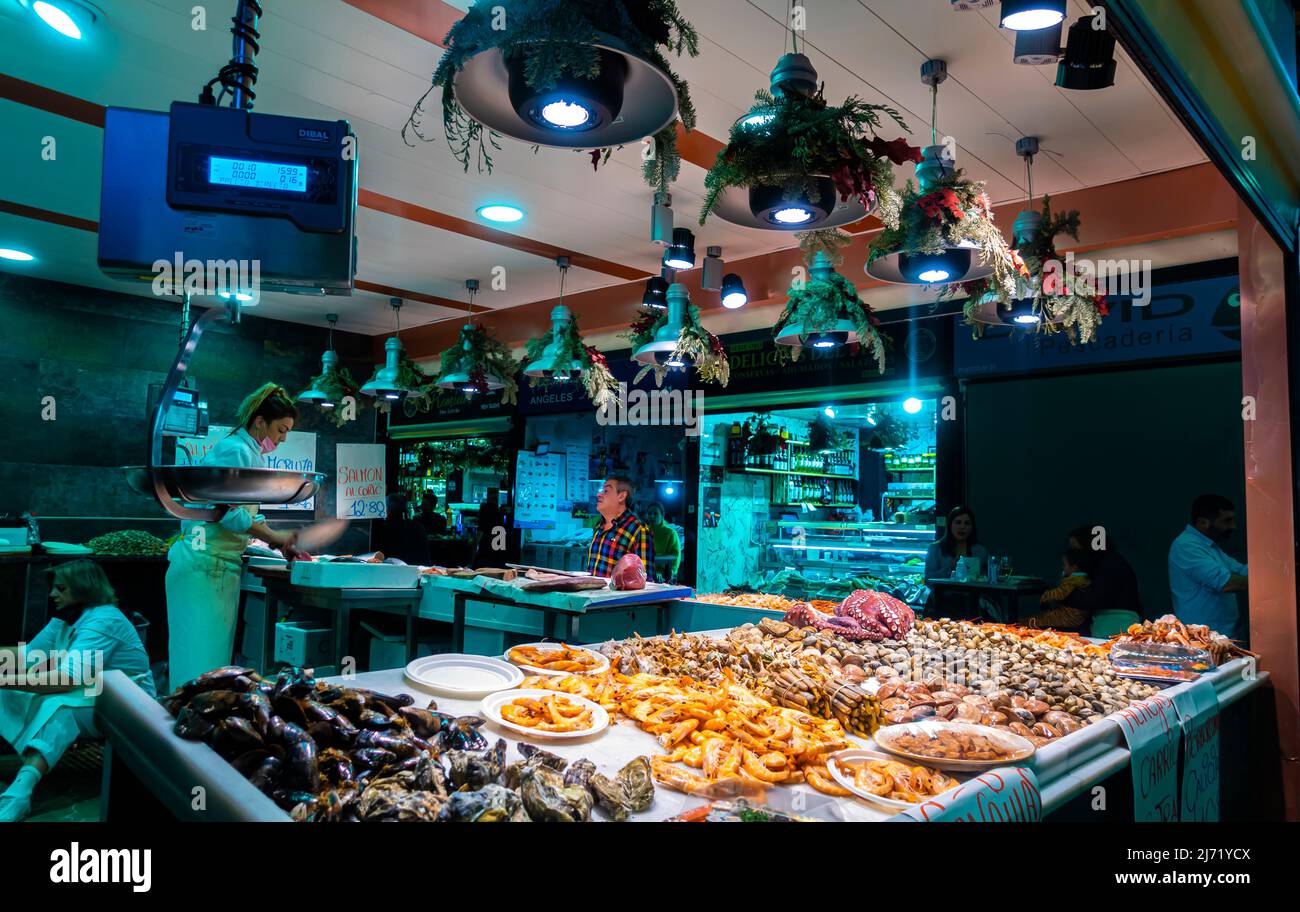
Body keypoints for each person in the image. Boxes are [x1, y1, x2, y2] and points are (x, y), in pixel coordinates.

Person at [164, 383, 303, 692]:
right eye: (281, 430)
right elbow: (228, 512)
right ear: (259, 422)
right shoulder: (235, 450)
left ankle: (199, 727)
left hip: (217, 567)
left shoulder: (250, 453)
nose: (282, 440)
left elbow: (246, 512)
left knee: (211, 666)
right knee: (197, 667)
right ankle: (181, 730)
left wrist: (276, 541)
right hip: (202, 565)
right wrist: (276, 538)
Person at [0, 561, 154, 822]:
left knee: (59, 708)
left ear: (84, 589)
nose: (52, 594)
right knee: (11, 693)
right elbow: (26, 657)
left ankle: (20, 793)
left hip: (126, 702)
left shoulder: (104, 620)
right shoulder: (67, 616)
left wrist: (3, 678)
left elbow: (69, 678)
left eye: (61, 588)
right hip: (89, 690)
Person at [1169, 494, 1249, 641]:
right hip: (1205, 641)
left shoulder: (1210, 547)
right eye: (1227, 520)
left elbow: (1242, 570)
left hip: (1224, 636)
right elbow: (1226, 583)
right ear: (1203, 523)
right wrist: (1269, 582)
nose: (1233, 526)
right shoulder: (1186, 546)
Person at [1061, 523, 1142, 618]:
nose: (1073, 555)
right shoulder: (1107, 563)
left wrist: (1060, 595)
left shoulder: (1110, 565)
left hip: (1116, 621)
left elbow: (1096, 599)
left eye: (1076, 549)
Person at [586, 477, 653, 577]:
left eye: (606, 491)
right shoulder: (599, 526)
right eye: (601, 491)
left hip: (618, 592)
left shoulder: (638, 529)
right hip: (592, 592)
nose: (599, 494)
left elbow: (645, 579)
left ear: (621, 496)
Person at [1020, 548, 1093, 632]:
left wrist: (1045, 596)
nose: (1063, 567)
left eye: (1064, 565)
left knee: (1031, 621)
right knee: (1038, 617)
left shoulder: (1073, 581)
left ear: (1074, 567)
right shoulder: (1084, 580)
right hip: (1073, 617)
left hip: (1067, 618)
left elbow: (1059, 594)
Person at [925, 506, 989, 582]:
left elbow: (987, 578)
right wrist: (950, 568)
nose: (962, 527)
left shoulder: (980, 550)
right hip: (944, 593)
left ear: (972, 527)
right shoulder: (935, 548)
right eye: (958, 522)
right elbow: (928, 580)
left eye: (967, 523)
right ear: (950, 525)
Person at [375, 493, 432, 566]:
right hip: (419, 570)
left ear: (388, 509)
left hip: (393, 572)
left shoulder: (384, 529)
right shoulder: (418, 526)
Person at [642, 502, 680, 582]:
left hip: (664, 574)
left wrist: (670, 574)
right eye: (649, 513)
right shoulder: (643, 531)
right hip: (645, 572)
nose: (652, 516)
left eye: (655, 514)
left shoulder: (670, 533)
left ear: (662, 515)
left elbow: (675, 556)